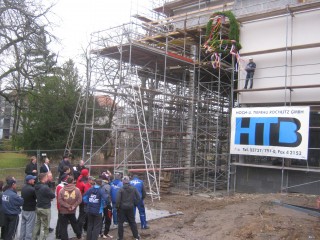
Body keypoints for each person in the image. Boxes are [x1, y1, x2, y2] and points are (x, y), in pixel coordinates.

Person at [116, 176, 140, 240]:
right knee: (132, 222)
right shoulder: (133, 188)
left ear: (123, 182)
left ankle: (120, 238)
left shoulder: (120, 189)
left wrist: (117, 207)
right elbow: (138, 197)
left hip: (122, 208)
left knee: (120, 223)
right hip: (130, 207)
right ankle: (136, 237)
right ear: (128, 181)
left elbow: (118, 200)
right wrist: (134, 203)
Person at [33, 173, 55, 240]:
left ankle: (33, 237)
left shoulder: (36, 185)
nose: (47, 178)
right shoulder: (45, 187)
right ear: (44, 178)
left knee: (37, 224)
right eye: (46, 177)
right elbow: (53, 195)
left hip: (38, 207)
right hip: (45, 208)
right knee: (45, 226)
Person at [20, 175, 37, 240]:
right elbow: (36, 197)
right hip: (31, 210)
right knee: (30, 225)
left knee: (23, 225)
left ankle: (22, 238)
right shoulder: (32, 189)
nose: (34, 180)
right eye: (33, 179)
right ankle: (28, 238)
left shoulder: (23, 188)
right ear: (30, 181)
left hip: (24, 209)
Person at [76, 169, 91, 234]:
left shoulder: (79, 179)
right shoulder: (84, 182)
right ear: (86, 174)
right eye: (87, 173)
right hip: (84, 199)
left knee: (81, 213)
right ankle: (80, 229)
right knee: (83, 215)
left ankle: (79, 228)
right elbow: (87, 191)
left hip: (80, 198)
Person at [99, 173, 113, 239]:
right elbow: (106, 197)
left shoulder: (100, 184)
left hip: (101, 205)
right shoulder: (107, 186)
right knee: (108, 219)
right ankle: (105, 233)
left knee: (101, 219)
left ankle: (100, 233)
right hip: (106, 205)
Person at [55, 174, 69, 239]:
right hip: (63, 206)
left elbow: (56, 195)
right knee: (62, 221)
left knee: (60, 220)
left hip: (59, 205)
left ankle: (58, 233)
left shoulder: (58, 186)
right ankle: (60, 234)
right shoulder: (63, 187)